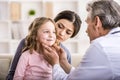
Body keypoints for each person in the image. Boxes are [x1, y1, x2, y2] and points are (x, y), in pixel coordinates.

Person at [42, 0, 120, 80]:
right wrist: (63, 62)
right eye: (60, 26)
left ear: (97, 22)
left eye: (87, 23)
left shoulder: (100, 46)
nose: (86, 31)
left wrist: (55, 63)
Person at [6, 10, 82, 80]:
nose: (61, 33)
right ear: (53, 23)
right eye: (60, 26)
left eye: (68, 32)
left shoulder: (65, 53)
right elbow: (12, 74)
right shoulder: (26, 42)